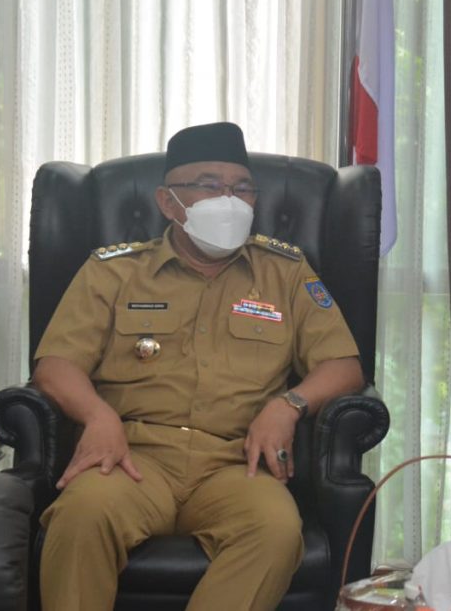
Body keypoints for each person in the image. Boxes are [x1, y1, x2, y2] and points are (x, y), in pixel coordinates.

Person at [32, 121, 364, 611]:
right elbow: (55, 365)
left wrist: (289, 405)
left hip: (236, 464)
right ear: (168, 202)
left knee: (275, 529)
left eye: (242, 189)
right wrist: (97, 417)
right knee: (81, 516)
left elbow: (344, 366)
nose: (229, 200)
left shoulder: (286, 273)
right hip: (131, 458)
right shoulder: (113, 271)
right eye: (209, 186)